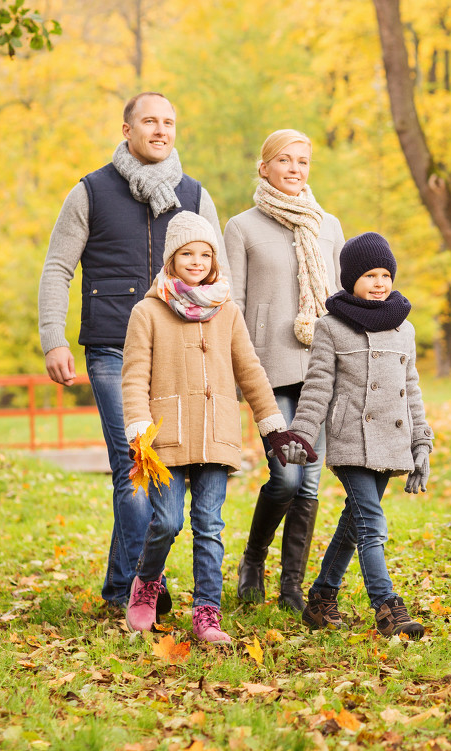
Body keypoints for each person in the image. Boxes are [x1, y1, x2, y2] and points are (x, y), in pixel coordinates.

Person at [38, 92, 228, 615]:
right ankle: (126, 591)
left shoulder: (195, 196)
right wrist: (53, 336)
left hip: (180, 355)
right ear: (127, 130)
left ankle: (138, 579)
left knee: (167, 471)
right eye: (150, 121)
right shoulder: (91, 192)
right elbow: (58, 267)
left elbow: (221, 280)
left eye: (169, 121)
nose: (161, 129)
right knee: (136, 468)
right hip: (113, 350)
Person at [119, 212, 313, 642]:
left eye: (205, 253)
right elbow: (133, 375)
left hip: (216, 434)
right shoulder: (147, 311)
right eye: (187, 253)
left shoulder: (227, 311)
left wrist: (273, 427)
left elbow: (251, 370)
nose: (196, 260)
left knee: (209, 523)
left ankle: (207, 611)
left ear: (214, 260)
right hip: (165, 437)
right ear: (171, 259)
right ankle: (146, 583)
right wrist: (138, 426)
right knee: (167, 522)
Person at [280, 232, 434, 639]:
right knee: (371, 523)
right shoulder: (331, 327)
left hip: (393, 441)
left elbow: (412, 390)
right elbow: (316, 389)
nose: (379, 282)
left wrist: (422, 442)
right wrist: (302, 435)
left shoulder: (405, 329)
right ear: (351, 280)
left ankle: (321, 598)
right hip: (352, 440)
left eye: (385, 274)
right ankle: (387, 606)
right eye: (369, 275)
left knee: (355, 521)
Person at [224, 129, 345, 612]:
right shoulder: (242, 227)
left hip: (320, 369)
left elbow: (341, 298)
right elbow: (232, 305)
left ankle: (291, 587)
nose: (295, 169)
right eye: (284, 161)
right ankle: (253, 557)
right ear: (265, 167)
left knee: (311, 483)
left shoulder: (329, 226)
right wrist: (238, 368)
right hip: (268, 371)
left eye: (303, 162)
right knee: (288, 479)